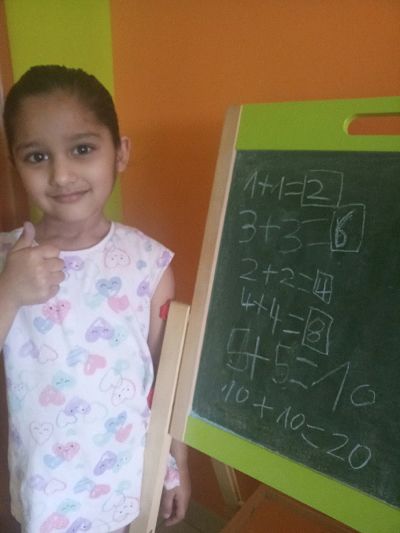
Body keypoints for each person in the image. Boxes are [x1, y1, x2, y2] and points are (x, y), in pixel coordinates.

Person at [0, 65, 190, 533]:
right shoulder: (7, 259)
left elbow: (165, 382)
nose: (62, 175)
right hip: (47, 489)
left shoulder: (149, 265)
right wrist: (9, 292)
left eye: (82, 149)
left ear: (120, 153)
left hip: (124, 479)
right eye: (37, 156)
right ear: (15, 164)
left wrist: (176, 465)